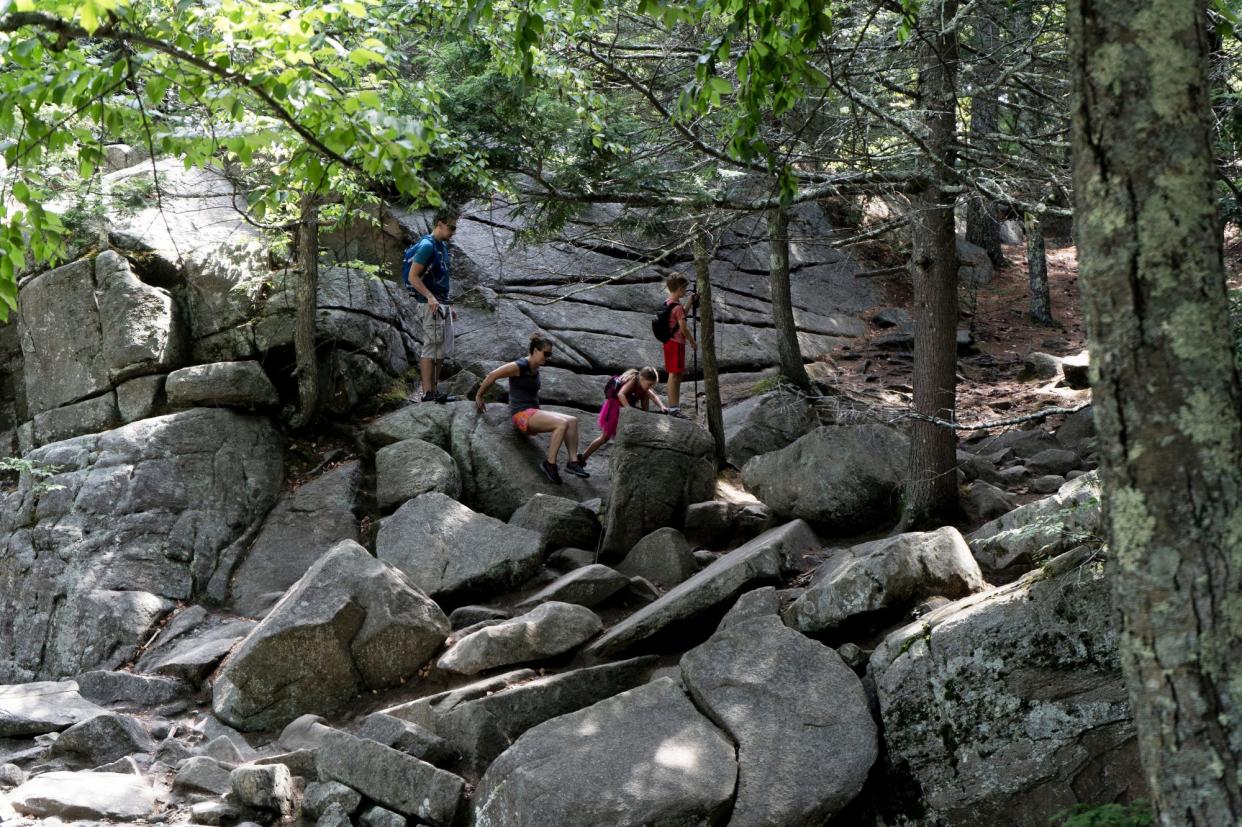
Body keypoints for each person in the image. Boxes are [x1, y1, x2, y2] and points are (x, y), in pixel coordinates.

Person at [475, 333, 590, 484]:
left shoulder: (535, 367)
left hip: (533, 412)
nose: (548, 357)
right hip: (521, 415)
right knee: (561, 424)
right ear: (535, 350)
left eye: (550, 354)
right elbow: (493, 375)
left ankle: (573, 463)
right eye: (546, 353)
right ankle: (550, 464)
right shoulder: (520, 365)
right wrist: (479, 395)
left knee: (572, 421)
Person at [403, 212, 457, 403]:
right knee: (431, 346)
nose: (453, 232)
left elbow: (440, 279)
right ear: (440, 224)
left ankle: (434, 390)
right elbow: (413, 276)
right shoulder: (427, 246)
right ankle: (427, 393)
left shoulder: (441, 246)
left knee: (441, 348)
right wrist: (429, 297)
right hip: (430, 304)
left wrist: (448, 303)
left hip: (441, 303)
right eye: (452, 228)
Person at [578, 366, 666, 467]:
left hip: (623, 408)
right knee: (604, 437)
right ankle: (582, 457)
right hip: (614, 408)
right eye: (649, 384)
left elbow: (653, 396)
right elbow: (621, 394)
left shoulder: (643, 387)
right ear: (642, 378)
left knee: (645, 393)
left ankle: (644, 415)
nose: (650, 387)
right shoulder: (633, 381)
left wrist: (662, 407)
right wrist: (629, 410)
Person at [661, 274, 698, 418]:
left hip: (670, 342)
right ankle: (674, 408)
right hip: (676, 343)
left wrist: (690, 301)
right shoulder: (675, 306)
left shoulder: (669, 302)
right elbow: (683, 328)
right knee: (674, 375)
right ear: (679, 288)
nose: (685, 291)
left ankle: (674, 406)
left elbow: (681, 315)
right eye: (685, 289)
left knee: (677, 373)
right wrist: (692, 341)